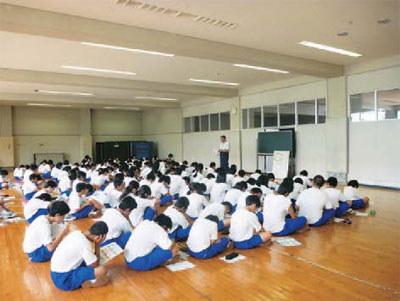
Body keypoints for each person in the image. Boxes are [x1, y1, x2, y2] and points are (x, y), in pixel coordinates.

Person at [50, 221, 110, 291]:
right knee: (103, 270)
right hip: (64, 279)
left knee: (89, 259)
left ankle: (83, 279)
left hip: (55, 273)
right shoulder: (85, 244)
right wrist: (98, 244)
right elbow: (95, 265)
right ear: (98, 237)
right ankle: (87, 283)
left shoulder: (77, 233)